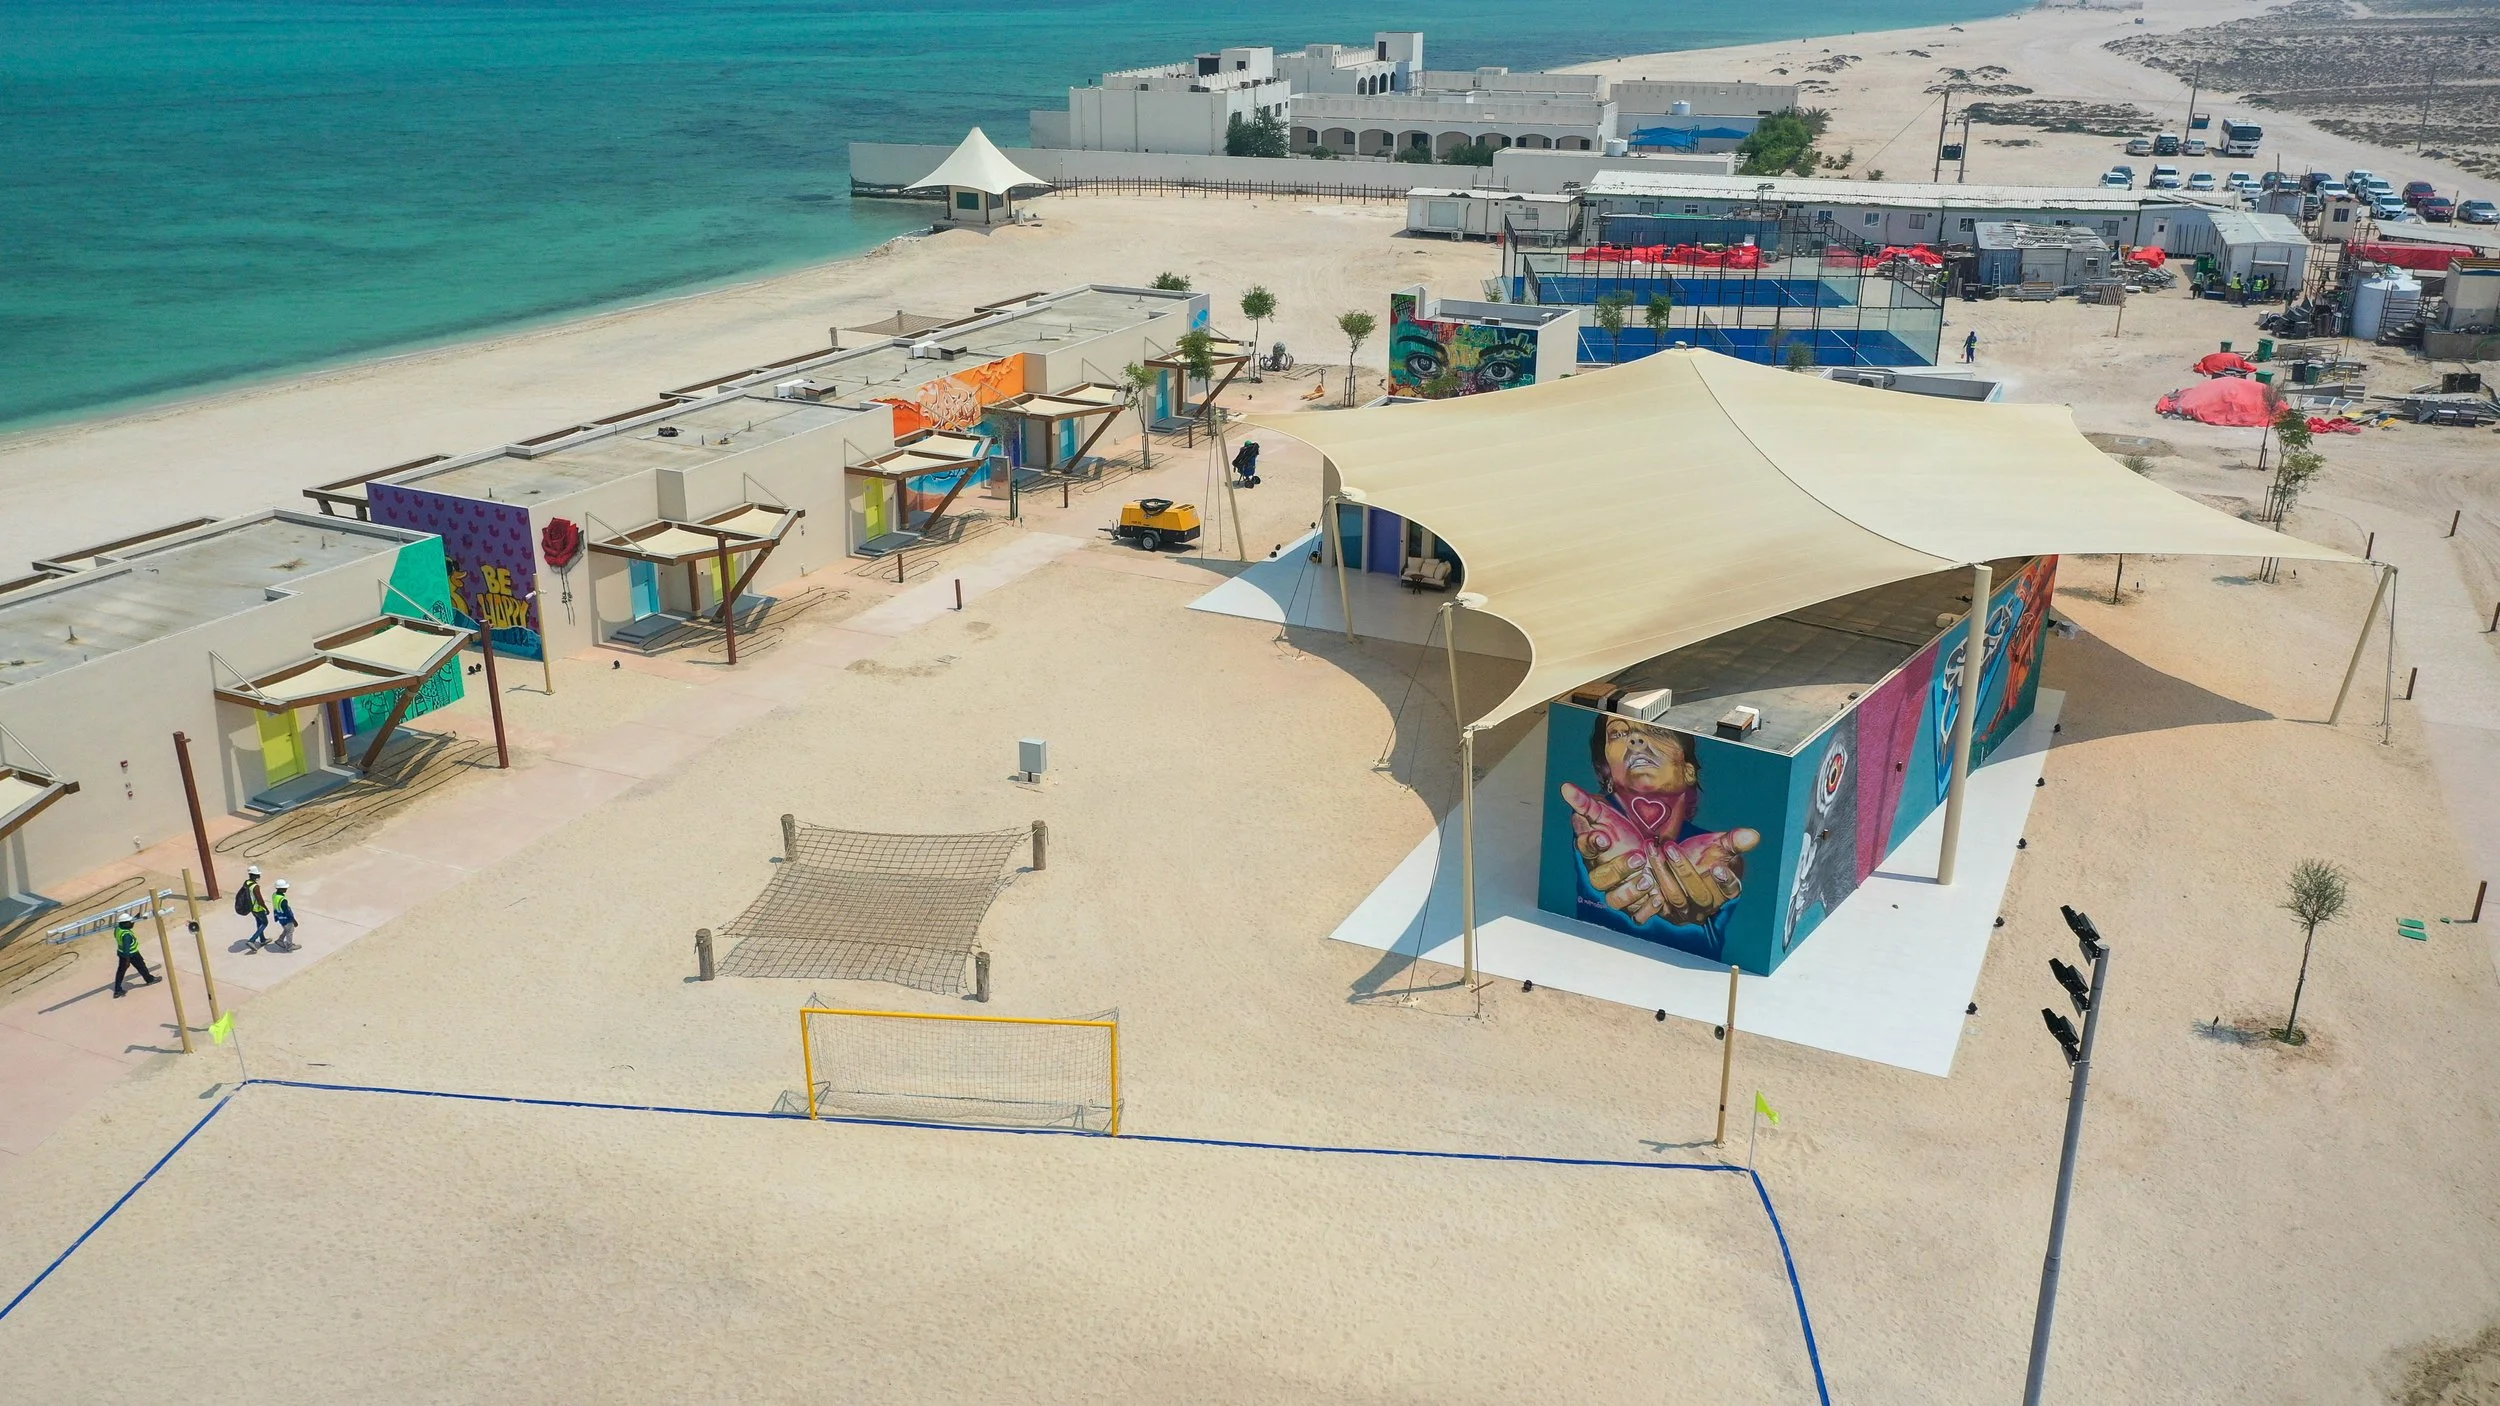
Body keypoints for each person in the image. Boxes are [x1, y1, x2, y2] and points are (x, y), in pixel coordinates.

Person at [111, 910, 158, 998]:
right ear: (124, 923)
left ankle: (117, 990)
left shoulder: (118, 929)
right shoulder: (126, 935)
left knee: (120, 972)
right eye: (129, 922)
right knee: (141, 966)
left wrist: (136, 918)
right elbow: (126, 949)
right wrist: (127, 961)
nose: (131, 923)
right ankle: (149, 979)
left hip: (121, 954)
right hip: (131, 954)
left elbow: (129, 924)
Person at [239, 865, 270, 950]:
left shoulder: (246, 883)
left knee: (259, 923)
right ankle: (252, 940)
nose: (259, 876)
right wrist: (266, 908)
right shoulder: (255, 887)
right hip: (258, 908)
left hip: (251, 908)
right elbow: (260, 900)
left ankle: (263, 939)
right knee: (265, 923)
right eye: (257, 875)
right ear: (253, 875)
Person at [270, 879, 300, 952]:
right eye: (285, 887)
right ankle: (289, 946)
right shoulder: (283, 900)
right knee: (290, 931)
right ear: (281, 889)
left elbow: (275, 906)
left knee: (287, 929)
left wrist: (276, 916)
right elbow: (287, 912)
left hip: (280, 917)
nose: (286, 888)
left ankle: (280, 940)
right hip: (286, 918)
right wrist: (294, 920)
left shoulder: (274, 895)